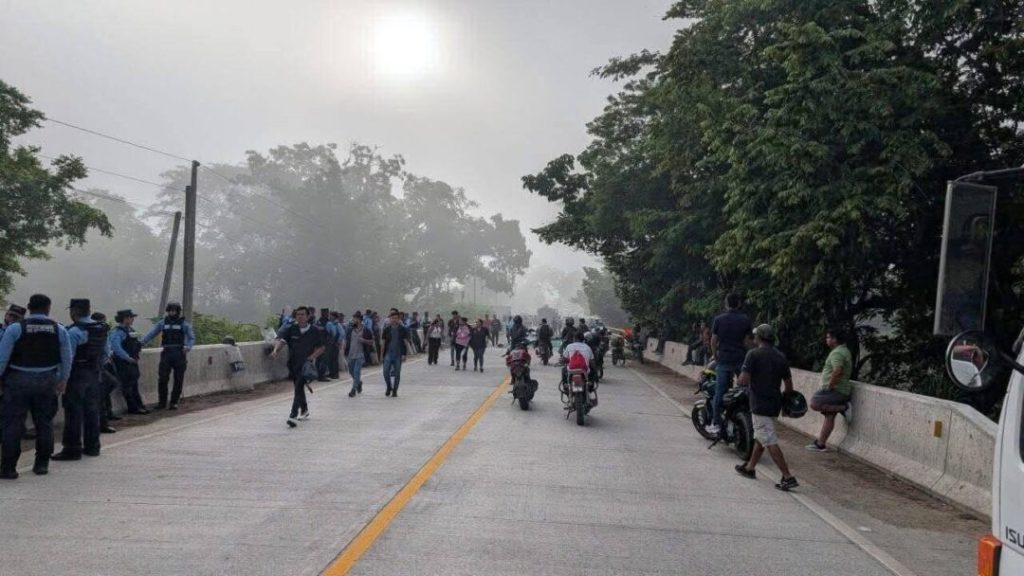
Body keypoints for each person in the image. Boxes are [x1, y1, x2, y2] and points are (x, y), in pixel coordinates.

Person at [0, 294, 72, 478]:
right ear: (48, 308)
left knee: (13, 424)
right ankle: (41, 464)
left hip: (17, 380)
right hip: (47, 381)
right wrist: (63, 380)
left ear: (29, 307)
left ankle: (8, 468)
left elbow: (2, 359)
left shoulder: (15, 328)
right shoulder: (59, 329)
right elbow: (66, 358)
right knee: (44, 423)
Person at [734, 324, 799, 491]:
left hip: (759, 404)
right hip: (774, 404)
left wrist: (740, 378)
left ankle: (788, 476)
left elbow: (743, 380)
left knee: (768, 439)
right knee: (761, 436)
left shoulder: (753, 354)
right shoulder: (781, 357)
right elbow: (789, 386)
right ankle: (750, 468)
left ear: (759, 338)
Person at [53, 298, 110, 461]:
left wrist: (61, 379)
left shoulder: (74, 331)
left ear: (74, 312)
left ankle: (72, 449)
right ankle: (93, 447)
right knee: (92, 411)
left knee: (73, 412)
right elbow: (106, 353)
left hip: (77, 374)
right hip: (94, 373)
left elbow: (67, 358)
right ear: (89, 310)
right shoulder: (101, 328)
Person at [271, 306, 325, 427]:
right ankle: (304, 410)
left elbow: (321, 348)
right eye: (298, 314)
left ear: (308, 316)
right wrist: (275, 351)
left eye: (302, 314)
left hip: (306, 364)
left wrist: (311, 357)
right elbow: (283, 341)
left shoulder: (314, 331)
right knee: (298, 387)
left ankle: (293, 415)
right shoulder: (291, 329)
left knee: (299, 386)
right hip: (293, 363)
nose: (300, 316)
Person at [707, 293, 752, 436]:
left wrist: (715, 355)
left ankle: (716, 423)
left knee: (720, 392)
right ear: (739, 303)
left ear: (726, 304)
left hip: (724, 360)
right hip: (741, 360)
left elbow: (713, 341)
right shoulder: (745, 320)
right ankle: (748, 419)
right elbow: (747, 342)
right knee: (745, 390)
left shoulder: (719, 319)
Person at [140, 302, 195, 410]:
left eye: (173, 311)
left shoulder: (184, 324)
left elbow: (191, 338)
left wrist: (188, 347)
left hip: (179, 353)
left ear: (178, 311)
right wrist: (141, 343)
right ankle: (162, 402)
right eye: (170, 310)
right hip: (167, 353)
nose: (171, 313)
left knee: (178, 379)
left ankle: (174, 402)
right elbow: (151, 333)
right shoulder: (162, 323)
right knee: (163, 378)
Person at [807, 327, 855, 452]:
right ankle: (821, 444)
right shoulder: (844, 350)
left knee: (814, 403)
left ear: (835, 339)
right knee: (829, 416)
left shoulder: (837, 353)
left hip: (837, 390)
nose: (826, 339)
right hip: (841, 390)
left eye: (828, 337)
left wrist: (830, 386)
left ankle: (844, 407)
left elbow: (838, 370)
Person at [110, 309, 149, 415]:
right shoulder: (117, 332)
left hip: (132, 361)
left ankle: (139, 405)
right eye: (131, 318)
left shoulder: (130, 330)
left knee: (134, 384)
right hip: (124, 362)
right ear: (125, 319)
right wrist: (127, 357)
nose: (132, 320)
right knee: (127, 385)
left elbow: (136, 342)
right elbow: (116, 347)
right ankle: (133, 407)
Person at [91, 312, 121, 435]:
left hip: (102, 365)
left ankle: (106, 417)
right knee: (100, 396)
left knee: (103, 393)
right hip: (97, 367)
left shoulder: (99, 332)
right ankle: (102, 423)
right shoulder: (97, 332)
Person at [381, 309, 412, 397]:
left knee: (397, 373)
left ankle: (395, 390)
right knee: (385, 372)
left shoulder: (403, 329)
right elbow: (383, 343)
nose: (394, 320)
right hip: (388, 354)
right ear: (390, 319)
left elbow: (405, 342)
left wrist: (405, 354)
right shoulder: (386, 329)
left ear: (399, 319)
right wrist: (381, 355)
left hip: (398, 354)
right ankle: (389, 386)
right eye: (392, 318)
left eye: (396, 318)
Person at [345, 312, 374, 397]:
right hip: (351, 354)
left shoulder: (366, 330)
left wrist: (364, 340)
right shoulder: (350, 330)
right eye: (353, 318)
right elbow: (346, 341)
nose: (353, 320)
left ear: (359, 320)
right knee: (351, 371)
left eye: (354, 318)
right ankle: (358, 382)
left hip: (361, 354)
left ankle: (353, 390)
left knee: (357, 371)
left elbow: (371, 342)